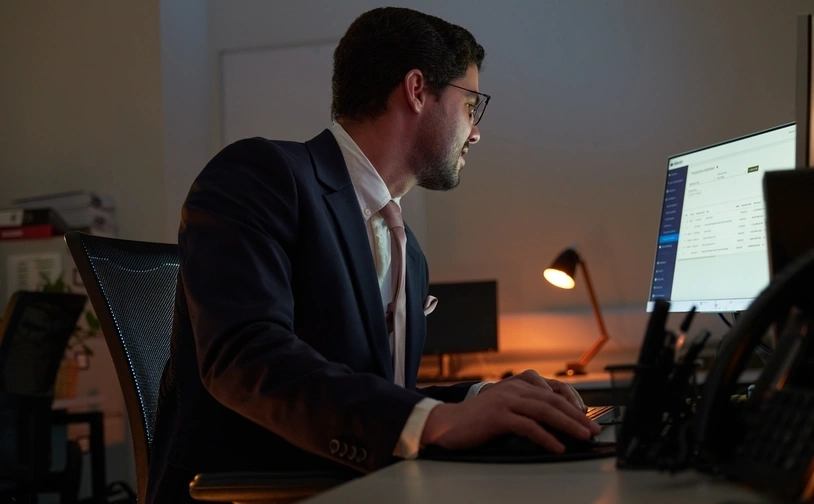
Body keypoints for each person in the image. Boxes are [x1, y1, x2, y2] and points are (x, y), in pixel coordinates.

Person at [146, 7, 600, 503]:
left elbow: (377, 398)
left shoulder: (411, 251)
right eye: (472, 106)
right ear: (417, 90)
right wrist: (438, 421)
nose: (476, 132)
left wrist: (480, 397)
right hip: (253, 490)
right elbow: (247, 358)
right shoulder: (260, 175)